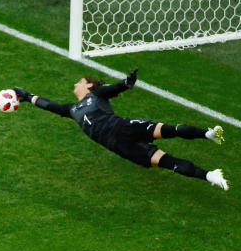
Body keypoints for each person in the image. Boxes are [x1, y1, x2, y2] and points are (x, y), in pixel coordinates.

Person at [13, 69, 229, 190]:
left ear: (89, 86)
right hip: (118, 143)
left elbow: (115, 88)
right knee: (166, 160)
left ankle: (207, 136)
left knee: (168, 131)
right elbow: (51, 106)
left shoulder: (95, 95)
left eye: (80, 81)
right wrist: (28, 96)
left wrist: (126, 83)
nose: (76, 83)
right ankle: (210, 175)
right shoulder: (71, 109)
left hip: (121, 131)